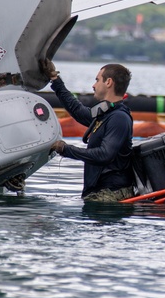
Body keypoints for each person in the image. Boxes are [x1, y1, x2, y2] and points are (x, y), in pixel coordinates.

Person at [41, 59, 136, 202]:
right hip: (98, 192)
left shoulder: (119, 118)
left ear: (108, 82)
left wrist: (66, 149)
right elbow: (78, 110)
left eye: (97, 80)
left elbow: (104, 154)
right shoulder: (106, 112)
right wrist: (54, 79)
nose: (93, 85)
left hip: (110, 194)